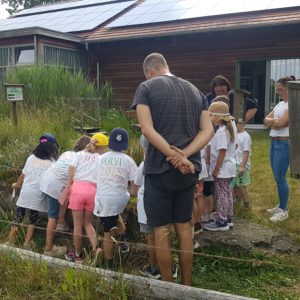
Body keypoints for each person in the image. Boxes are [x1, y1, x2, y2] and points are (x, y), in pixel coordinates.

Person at [131, 53, 214, 286]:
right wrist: (185, 156)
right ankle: (187, 285)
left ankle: (168, 285)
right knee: (185, 227)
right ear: (166, 66)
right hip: (189, 172)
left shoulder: (146, 88)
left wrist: (173, 155)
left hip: (159, 169)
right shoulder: (196, 91)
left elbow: (147, 130)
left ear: (149, 71)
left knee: (161, 230)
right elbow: (208, 131)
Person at [93, 127, 137, 270]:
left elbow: (96, 178)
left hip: (103, 199)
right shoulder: (128, 160)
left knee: (107, 231)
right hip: (120, 199)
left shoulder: (101, 158)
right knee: (115, 217)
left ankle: (109, 263)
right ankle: (122, 240)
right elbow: (134, 188)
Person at [40, 135, 91, 256]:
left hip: (47, 179)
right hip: (55, 185)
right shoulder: (81, 158)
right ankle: (48, 248)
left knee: (67, 196)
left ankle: (61, 223)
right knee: (53, 216)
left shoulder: (67, 153)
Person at [136, 135, 178, 279]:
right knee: (165, 238)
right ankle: (169, 268)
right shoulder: (170, 162)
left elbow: (135, 189)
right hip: (164, 206)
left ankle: (154, 268)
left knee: (151, 240)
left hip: (145, 207)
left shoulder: (144, 164)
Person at [8, 133, 59, 247]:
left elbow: (23, 174)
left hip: (26, 192)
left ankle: (10, 242)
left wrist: (17, 185)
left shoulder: (31, 158)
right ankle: (26, 243)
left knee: (18, 217)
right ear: (52, 147)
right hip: (38, 194)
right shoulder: (52, 162)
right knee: (32, 219)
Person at [65, 133, 109, 263]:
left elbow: (71, 169)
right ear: (100, 147)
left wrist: (69, 184)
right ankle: (96, 249)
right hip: (92, 191)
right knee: (88, 223)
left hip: (78, 189)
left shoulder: (78, 155)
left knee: (77, 226)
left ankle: (78, 255)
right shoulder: (100, 158)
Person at [264, 76, 293, 222]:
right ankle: (281, 205)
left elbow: (280, 124)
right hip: (274, 143)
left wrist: (275, 122)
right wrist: (276, 122)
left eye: (280, 89)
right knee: (277, 177)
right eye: (277, 89)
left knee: (281, 177)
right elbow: (265, 121)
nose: (277, 91)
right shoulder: (280, 105)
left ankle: (283, 210)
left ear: (288, 89)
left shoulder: (293, 104)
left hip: (283, 144)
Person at [204, 100, 237, 232]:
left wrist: (216, 169)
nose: (210, 118)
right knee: (227, 192)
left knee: (221, 193)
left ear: (217, 117)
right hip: (229, 166)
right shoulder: (229, 128)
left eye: (211, 116)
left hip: (222, 168)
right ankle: (228, 217)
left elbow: (222, 151)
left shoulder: (222, 132)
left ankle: (221, 221)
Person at [232, 120, 252, 209]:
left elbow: (246, 152)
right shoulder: (236, 135)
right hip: (234, 162)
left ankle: (246, 203)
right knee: (235, 184)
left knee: (241, 184)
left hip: (241, 164)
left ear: (241, 125)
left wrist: (243, 166)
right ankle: (237, 200)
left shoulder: (246, 136)